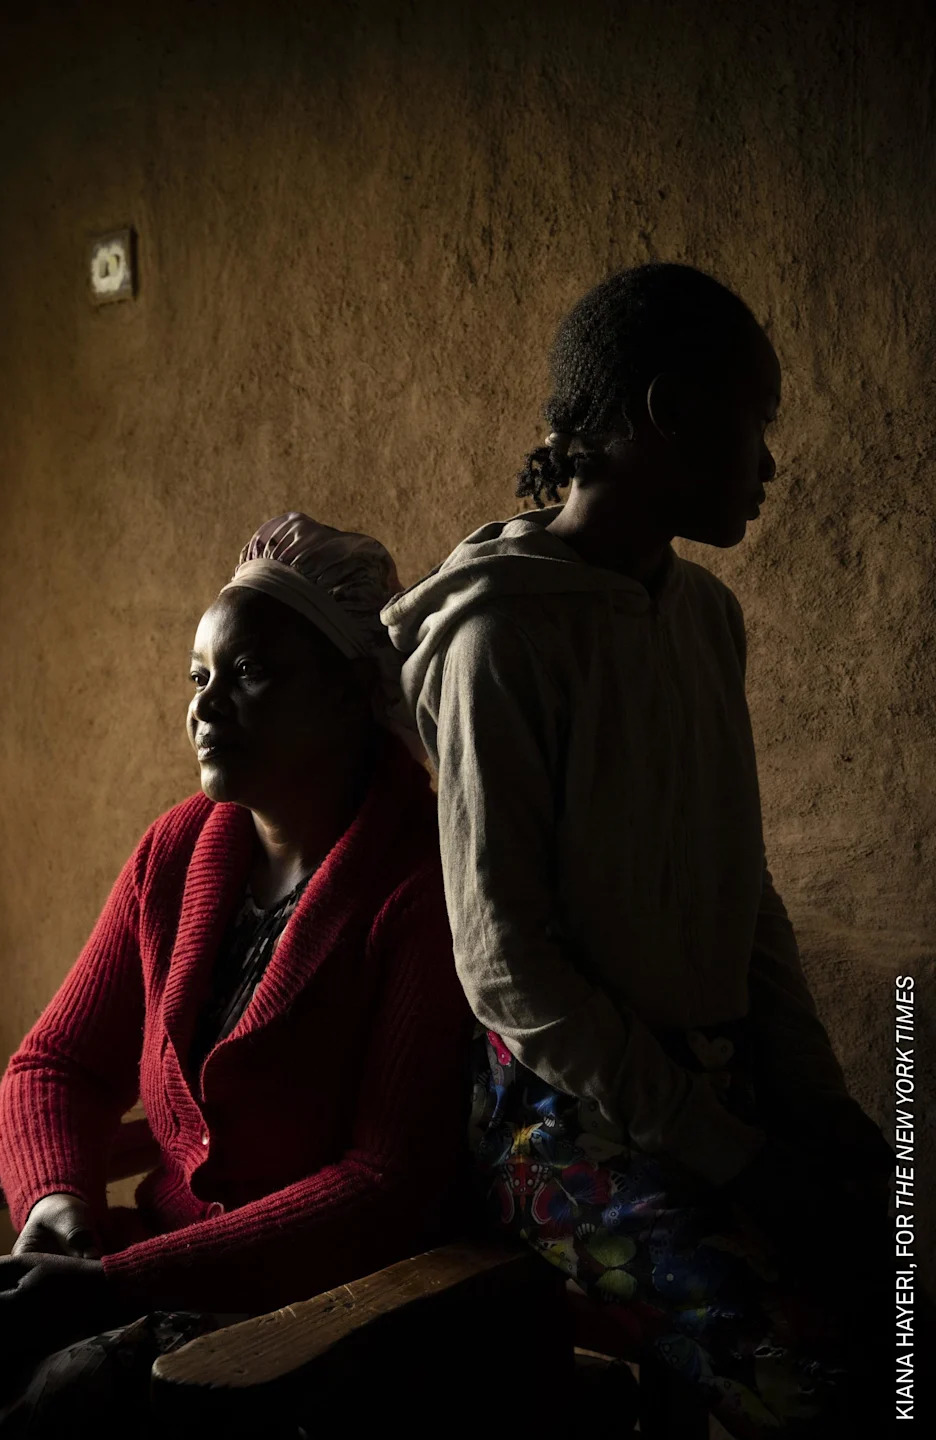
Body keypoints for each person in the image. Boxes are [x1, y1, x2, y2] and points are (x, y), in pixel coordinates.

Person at [381, 265, 901, 1438]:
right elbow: (510, 972)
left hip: (725, 1090)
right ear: (666, 412)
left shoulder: (708, 621)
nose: (769, 463)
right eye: (755, 420)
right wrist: (736, 1157)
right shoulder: (498, 639)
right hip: (566, 1124)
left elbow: (742, 890)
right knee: (840, 1380)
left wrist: (816, 1110)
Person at [0, 513, 471, 1437]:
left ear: (353, 691)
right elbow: (56, 1066)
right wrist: (58, 1206)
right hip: (136, 1282)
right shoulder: (177, 852)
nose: (205, 708)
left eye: (248, 674)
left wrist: (112, 1285)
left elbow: (386, 1184)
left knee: (54, 1411)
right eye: (199, 677)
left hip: (337, 1319)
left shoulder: (423, 880)